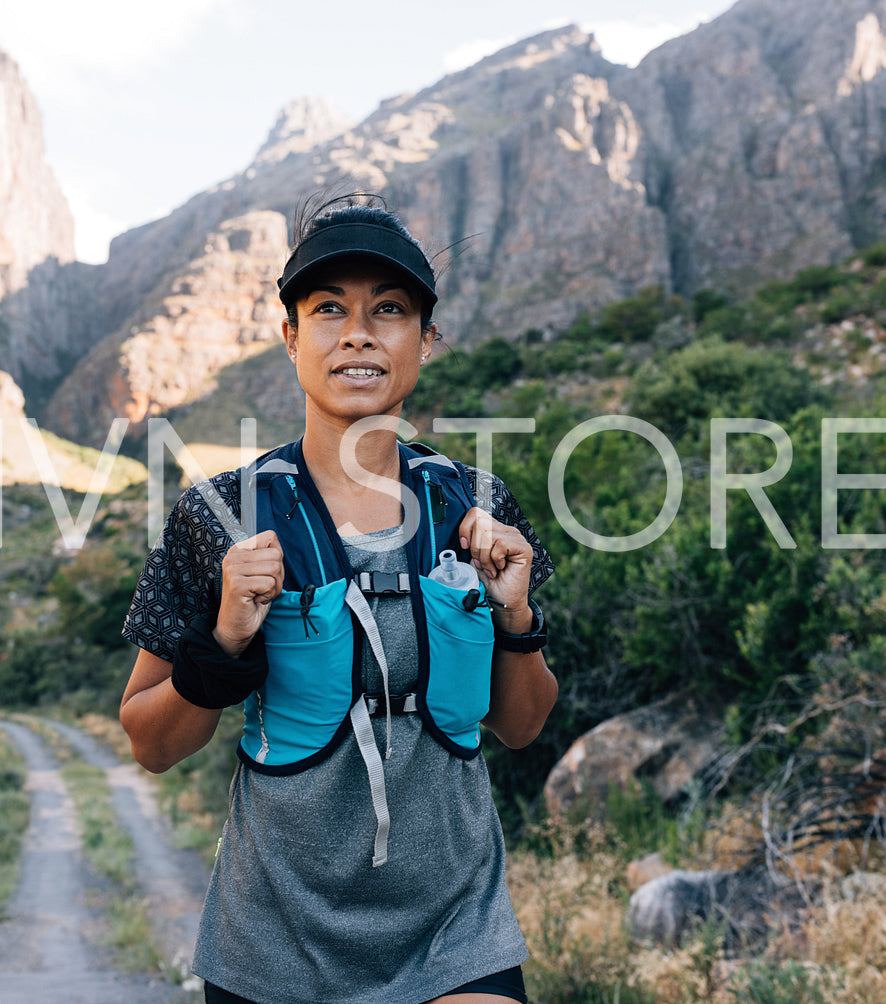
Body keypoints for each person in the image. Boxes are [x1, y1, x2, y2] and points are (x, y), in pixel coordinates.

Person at [119, 195, 558, 1004]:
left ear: (425, 340)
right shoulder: (218, 516)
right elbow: (149, 742)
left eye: (388, 310)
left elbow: (522, 724)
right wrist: (221, 642)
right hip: (271, 945)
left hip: (453, 933)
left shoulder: (480, 507)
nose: (358, 332)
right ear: (291, 338)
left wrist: (515, 617)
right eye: (329, 310)